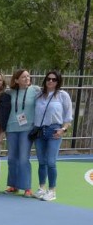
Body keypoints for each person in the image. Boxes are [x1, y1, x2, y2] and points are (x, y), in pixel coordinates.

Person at [33, 70, 73, 202]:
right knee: (41, 162)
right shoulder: (39, 95)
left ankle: (52, 190)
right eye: (48, 79)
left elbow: (68, 117)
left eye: (54, 79)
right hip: (39, 131)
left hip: (54, 130)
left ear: (58, 82)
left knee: (51, 162)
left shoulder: (62, 95)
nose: (50, 81)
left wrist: (63, 129)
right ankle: (41, 188)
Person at [1, 69, 41, 197]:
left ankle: (27, 187)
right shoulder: (10, 93)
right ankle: (13, 185)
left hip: (27, 129)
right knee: (12, 158)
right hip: (11, 128)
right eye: (23, 77)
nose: (27, 78)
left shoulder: (36, 91)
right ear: (16, 80)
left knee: (23, 158)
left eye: (28, 76)